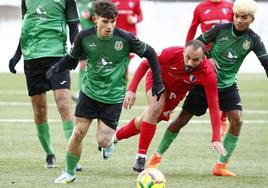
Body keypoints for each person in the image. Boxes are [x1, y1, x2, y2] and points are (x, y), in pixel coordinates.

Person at [46, 0, 164, 183]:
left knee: (103, 140)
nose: (109, 26)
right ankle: (69, 172)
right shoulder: (84, 37)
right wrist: (56, 68)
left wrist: (157, 81)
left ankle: (109, 143)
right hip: (89, 93)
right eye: (105, 21)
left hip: (113, 97)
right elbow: (71, 59)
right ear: (95, 19)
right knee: (78, 132)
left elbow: (151, 53)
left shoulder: (126, 38)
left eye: (112, 21)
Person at [147, 0, 268, 177]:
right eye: (236, 16)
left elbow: (265, 63)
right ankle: (156, 157)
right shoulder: (221, 30)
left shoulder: (254, 40)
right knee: (181, 120)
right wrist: (207, 57)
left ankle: (220, 165)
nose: (239, 20)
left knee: (237, 119)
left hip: (227, 86)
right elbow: (197, 43)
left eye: (244, 17)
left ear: (252, 19)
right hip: (203, 83)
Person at [113, 40, 227, 172]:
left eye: (195, 60)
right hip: (158, 78)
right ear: (183, 52)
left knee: (147, 120)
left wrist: (216, 138)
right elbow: (145, 63)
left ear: (203, 58)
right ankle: (141, 156)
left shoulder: (208, 73)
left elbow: (214, 105)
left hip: (176, 93)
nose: (190, 63)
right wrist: (131, 89)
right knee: (155, 107)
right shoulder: (172, 53)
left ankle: (115, 136)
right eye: (187, 57)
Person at [8, 0, 81, 169]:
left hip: (58, 56)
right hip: (32, 57)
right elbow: (27, 25)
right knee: (39, 109)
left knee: (63, 103)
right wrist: (17, 54)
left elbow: (73, 26)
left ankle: (72, 155)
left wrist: (75, 53)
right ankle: (49, 153)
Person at [185, 0, 234, 136]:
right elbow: (193, 28)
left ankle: (223, 117)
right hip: (204, 55)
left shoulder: (230, 6)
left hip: (225, 55)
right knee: (195, 82)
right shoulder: (201, 7)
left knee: (224, 85)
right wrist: (187, 48)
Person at [72, 0, 96, 101]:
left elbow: (103, 17)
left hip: (94, 38)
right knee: (82, 65)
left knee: (95, 66)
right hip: (82, 38)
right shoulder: (77, 3)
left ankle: (93, 92)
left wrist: (91, 15)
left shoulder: (94, 3)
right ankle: (81, 92)